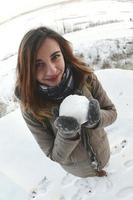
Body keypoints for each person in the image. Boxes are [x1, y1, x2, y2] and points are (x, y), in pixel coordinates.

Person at [15, 26, 117, 178]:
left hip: (103, 152)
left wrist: (97, 119)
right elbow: (54, 155)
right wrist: (67, 134)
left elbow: (112, 112)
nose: (52, 70)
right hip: (79, 170)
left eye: (55, 56)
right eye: (38, 65)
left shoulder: (86, 78)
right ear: (27, 70)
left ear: (64, 54)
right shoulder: (31, 108)